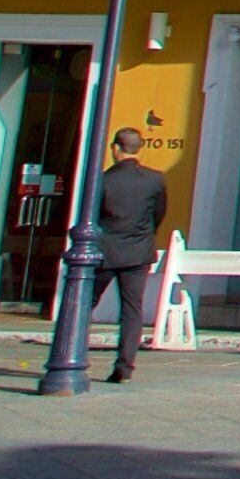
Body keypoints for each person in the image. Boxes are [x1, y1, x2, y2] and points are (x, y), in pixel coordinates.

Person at [87, 127, 167, 381]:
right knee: (132, 310)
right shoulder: (154, 179)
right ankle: (124, 366)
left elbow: (92, 216)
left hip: (107, 251)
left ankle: (76, 353)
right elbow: (159, 214)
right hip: (138, 251)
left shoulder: (103, 180)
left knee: (86, 302)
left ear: (115, 148)